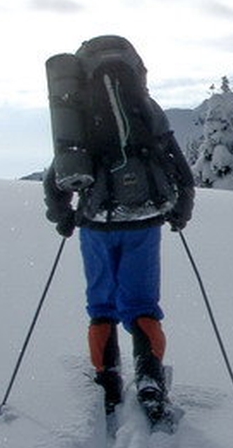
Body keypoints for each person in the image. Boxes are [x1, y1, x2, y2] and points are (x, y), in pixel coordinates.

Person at [42, 38, 195, 416]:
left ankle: (107, 378)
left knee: (102, 305)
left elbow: (57, 172)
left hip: (96, 222)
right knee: (142, 303)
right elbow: (177, 164)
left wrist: (62, 214)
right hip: (144, 219)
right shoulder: (145, 107)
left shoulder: (79, 112)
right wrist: (181, 210)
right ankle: (149, 376)